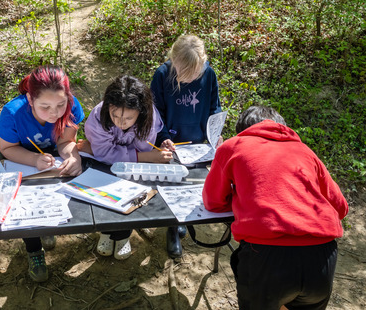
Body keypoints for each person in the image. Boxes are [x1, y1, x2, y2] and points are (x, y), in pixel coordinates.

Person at [202, 105, 348, 310]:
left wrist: (242, 198)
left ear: (242, 130)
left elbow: (213, 201)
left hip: (267, 256)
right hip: (322, 256)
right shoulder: (305, 151)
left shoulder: (233, 146)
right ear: (284, 127)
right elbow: (340, 207)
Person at [0, 65, 84, 282]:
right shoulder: (12, 112)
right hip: (18, 161)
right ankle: (34, 250)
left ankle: (47, 228)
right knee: (24, 207)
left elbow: (66, 142)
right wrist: (34, 159)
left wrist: (74, 157)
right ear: (30, 100)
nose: (55, 113)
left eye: (61, 104)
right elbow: (6, 148)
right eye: (45, 107)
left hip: (51, 162)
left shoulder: (72, 106)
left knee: (51, 199)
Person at [81, 75, 172, 260]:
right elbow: (104, 153)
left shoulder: (150, 117)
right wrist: (148, 157)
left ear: (141, 112)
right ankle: (106, 232)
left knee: (132, 192)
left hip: (136, 166)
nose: (120, 122)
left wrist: (142, 155)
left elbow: (144, 145)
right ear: (108, 106)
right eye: (114, 115)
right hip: (104, 164)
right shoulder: (98, 116)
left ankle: (123, 236)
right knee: (105, 193)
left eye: (128, 118)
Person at [150, 34, 222, 259]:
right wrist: (161, 136)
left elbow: (214, 107)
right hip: (170, 141)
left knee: (191, 186)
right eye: (185, 74)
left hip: (198, 141)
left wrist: (215, 133)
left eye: (195, 74)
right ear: (175, 61)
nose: (191, 79)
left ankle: (182, 219)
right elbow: (155, 112)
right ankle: (172, 229)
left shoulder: (208, 74)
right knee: (172, 185)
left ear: (202, 63)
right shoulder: (163, 75)